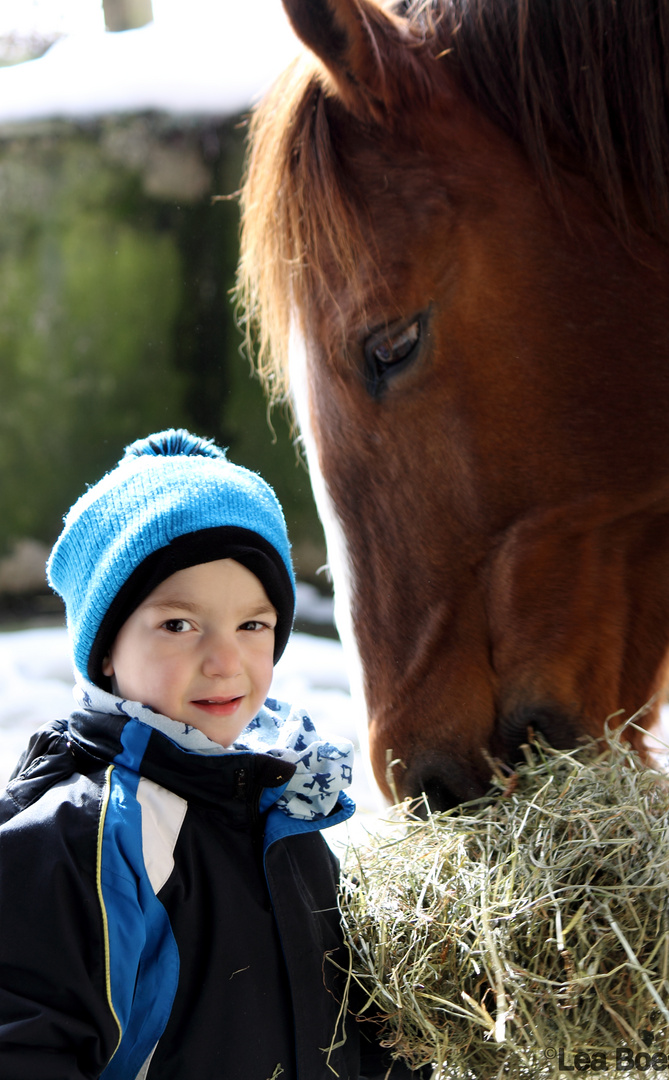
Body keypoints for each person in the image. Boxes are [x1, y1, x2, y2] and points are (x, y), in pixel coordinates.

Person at [0, 429, 410, 1080]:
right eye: (178, 625)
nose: (225, 662)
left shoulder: (286, 799)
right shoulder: (82, 839)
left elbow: (341, 1024)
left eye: (253, 625)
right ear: (105, 650)